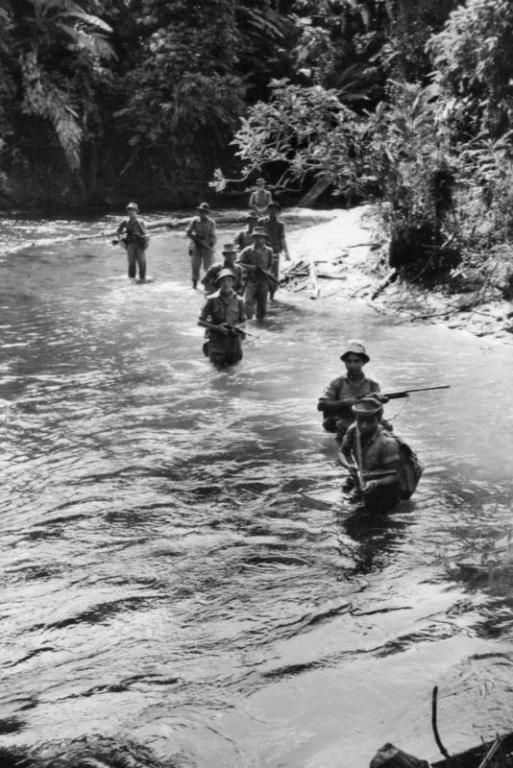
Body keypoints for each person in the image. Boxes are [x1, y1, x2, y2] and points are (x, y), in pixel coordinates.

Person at [340, 395, 401, 514]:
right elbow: (342, 452)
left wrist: (376, 483)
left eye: (369, 421)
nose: (364, 425)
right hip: (362, 485)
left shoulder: (387, 443)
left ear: (378, 420)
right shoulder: (353, 430)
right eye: (360, 421)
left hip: (384, 493)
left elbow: (396, 476)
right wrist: (348, 465)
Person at [317, 341, 386, 441]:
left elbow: (379, 413)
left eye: (356, 361)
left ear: (363, 363)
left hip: (365, 422)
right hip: (341, 422)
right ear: (345, 362)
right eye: (348, 361)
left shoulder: (372, 384)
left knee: (388, 427)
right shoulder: (337, 382)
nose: (352, 365)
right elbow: (321, 405)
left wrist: (377, 401)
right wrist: (346, 402)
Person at [198, 268, 246, 368]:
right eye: (223, 280)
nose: (226, 283)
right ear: (219, 283)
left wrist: (236, 327)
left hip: (234, 343)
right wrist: (217, 327)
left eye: (228, 280)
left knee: (234, 370)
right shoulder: (211, 299)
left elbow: (244, 322)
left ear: (233, 282)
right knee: (217, 370)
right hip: (216, 343)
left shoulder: (240, 300)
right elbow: (200, 322)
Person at [238, 226, 276, 321]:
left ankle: (260, 323)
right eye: (256, 237)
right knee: (248, 302)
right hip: (250, 279)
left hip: (264, 280)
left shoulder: (269, 251)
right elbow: (238, 263)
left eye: (261, 237)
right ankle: (249, 323)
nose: (258, 239)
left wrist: (267, 274)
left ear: (264, 238)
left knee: (262, 304)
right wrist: (251, 268)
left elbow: (271, 265)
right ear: (253, 238)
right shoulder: (247, 250)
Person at [260, 201, 290, 299]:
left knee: (274, 274)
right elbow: (256, 235)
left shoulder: (280, 224)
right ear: (268, 210)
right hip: (262, 250)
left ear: (278, 212)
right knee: (262, 272)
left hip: (275, 251)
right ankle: (262, 294)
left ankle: (272, 294)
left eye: (275, 210)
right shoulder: (261, 222)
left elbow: (282, 238)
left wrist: (286, 253)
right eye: (271, 209)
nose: (272, 211)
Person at [186, 202, 216, 289]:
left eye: (203, 212)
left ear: (207, 213)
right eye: (200, 211)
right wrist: (195, 240)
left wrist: (210, 245)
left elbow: (213, 236)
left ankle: (208, 285)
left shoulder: (211, 223)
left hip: (207, 247)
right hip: (196, 246)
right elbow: (188, 232)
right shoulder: (194, 221)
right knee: (195, 267)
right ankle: (194, 286)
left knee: (208, 268)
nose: (201, 213)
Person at [116, 202, 149, 281]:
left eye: (133, 210)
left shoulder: (140, 222)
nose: (131, 212)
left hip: (140, 244)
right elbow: (118, 232)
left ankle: (142, 279)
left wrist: (147, 241)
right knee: (131, 262)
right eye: (129, 210)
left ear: (136, 211)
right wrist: (120, 241)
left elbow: (146, 233)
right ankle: (131, 279)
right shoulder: (125, 222)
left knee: (142, 262)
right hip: (130, 244)